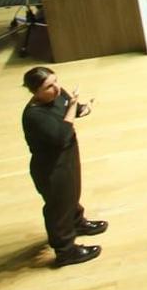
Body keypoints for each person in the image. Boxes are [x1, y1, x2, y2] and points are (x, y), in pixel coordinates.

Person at [20, 67, 105, 268]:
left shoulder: (58, 95)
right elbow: (61, 135)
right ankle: (65, 250)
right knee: (59, 205)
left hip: (67, 156)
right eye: (49, 86)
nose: (56, 88)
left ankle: (76, 223)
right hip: (51, 166)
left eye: (56, 81)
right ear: (35, 92)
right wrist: (73, 106)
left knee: (72, 193)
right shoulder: (34, 115)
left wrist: (82, 108)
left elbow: (72, 109)